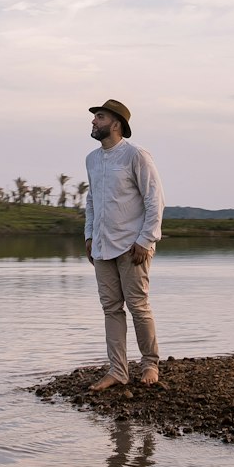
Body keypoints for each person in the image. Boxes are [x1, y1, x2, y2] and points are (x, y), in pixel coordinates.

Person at [84, 99, 164, 391]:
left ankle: (150, 364)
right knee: (110, 308)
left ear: (115, 123)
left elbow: (154, 199)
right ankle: (118, 371)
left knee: (138, 306)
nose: (93, 122)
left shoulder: (136, 156)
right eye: (95, 118)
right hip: (102, 246)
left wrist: (146, 239)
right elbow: (92, 200)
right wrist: (89, 236)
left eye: (99, 117)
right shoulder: (91, 159)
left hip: (133, 246)